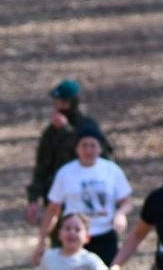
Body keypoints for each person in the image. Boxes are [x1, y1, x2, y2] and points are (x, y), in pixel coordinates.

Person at [33, 119, 131, 270]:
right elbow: (54, 208)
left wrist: (120, 214)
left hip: (104, 233)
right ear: (77, 148)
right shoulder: (66, 173)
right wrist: (42, 240)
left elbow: (127, 200)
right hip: (73, 235)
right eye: (84, 145)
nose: (88, 150)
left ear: (100, 148)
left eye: (93, 145)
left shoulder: (111, 170)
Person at [23, 78, 112, 227]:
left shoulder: (89, 127)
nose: (57, 106)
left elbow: (103, 159)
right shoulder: (51, 132)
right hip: (59, 202)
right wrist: (33, 199)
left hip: (90, 202)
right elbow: (42, 167)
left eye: (62, 102)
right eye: (56, 102)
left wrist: (67, 131)